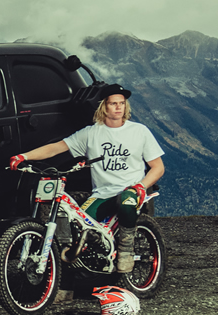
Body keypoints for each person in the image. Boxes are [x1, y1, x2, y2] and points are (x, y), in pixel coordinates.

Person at [9, 84, 165, 303]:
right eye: (113, 103)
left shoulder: (139, 131)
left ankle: (126, 250)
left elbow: (158, 167)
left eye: (122, 103)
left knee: (127, 202)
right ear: (104, 106)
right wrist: (24, 156)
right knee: (74, 229)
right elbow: (56, 147)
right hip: (101, 194)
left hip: (130, 190)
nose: (118, 108)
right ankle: (65, 286)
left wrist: (141, 186)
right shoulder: (91, 133)